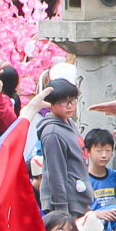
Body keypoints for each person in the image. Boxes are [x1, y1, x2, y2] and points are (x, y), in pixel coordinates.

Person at [35, 77, 91, 222]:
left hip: (77, 197)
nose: (70, 106)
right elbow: (55, 173)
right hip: (63, 203)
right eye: (64, 102)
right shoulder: (52, 133)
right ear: (52, 104)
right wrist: (62, 210)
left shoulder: (69, 122)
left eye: (72, 100)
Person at [79, 126, 116, 231]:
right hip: (93, 227)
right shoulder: (82, 179)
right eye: (99, 151)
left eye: (108, 151)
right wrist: (95, 214)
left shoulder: (115, 176)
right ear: (88, 152)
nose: (104, 155)